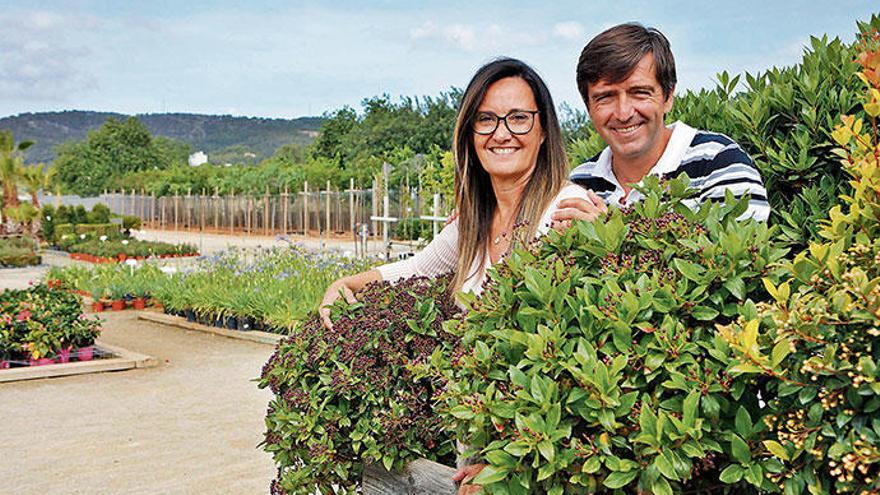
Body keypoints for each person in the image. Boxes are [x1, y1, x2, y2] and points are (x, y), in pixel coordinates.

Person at [319, 58, 590, 330]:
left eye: (519, 118)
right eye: (486, 119)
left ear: (543, 130)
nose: (501, 133)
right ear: (470, 135)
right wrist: (344, 284)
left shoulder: (565, 210)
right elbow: (415, 271)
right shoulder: (472, 222)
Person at [552, 23, 770, 227]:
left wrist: (607, 231)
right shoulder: (579, 182)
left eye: (639, 93)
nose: (624, 113)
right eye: (605, 97)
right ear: (589, 107)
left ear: (668, 97)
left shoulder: (719, 161)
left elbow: (742, 261)